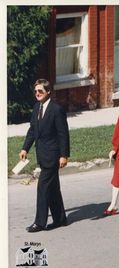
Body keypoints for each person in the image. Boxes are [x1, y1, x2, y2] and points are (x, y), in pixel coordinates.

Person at [20, 79, 70, 232]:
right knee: (53, 188)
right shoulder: (36, 107)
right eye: (35, 91)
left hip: (53, 156)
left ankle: (39, 223)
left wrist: (64, 155)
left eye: (40, 91)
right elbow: (32, 130)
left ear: (48, 92)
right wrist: (25, 148)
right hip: (42, 155)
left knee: (42, 188)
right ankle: (60, 219)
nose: (37, 94)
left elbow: (63, 134)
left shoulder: (57, 110)